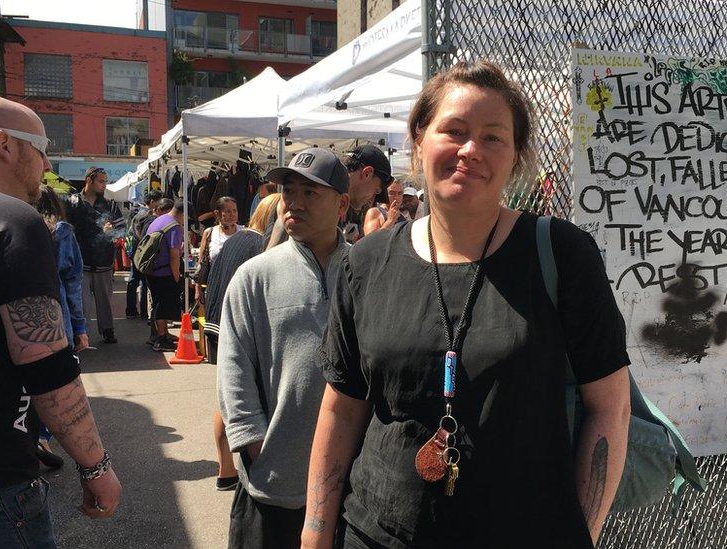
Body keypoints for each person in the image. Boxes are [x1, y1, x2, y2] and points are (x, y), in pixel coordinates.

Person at [304, 60, 632, 549]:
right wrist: (314, 533)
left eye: (493, 137)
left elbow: (611, 408)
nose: (471, 149)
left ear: (517, 154)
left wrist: (581, 532)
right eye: (453, 130)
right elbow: (342, 409)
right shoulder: (367, 263)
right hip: (375, 535)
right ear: (420, 139)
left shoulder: (564, 256)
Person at [0, 94, 122, 547]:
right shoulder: (8, 220)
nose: (46, 165)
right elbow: (47, 366)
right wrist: (96, 466)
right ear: (4, 144)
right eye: (41, 149)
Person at [217, 147, 350, 549]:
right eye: (289, 190)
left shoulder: (365, 271)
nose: (295, 201)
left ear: (342, 204)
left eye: (311, 192)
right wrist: (259, 450)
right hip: (272, 487)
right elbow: (232, 374)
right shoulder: (254, 276)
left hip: (347, 488)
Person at [201, 219, 265, 493]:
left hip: (218, 321)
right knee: (236, 395)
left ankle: (225, 468)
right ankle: (236, 469)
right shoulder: (258, 245)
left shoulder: (236, 240)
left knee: (224, 394)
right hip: (235, 326)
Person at [33, 184, 90, 469]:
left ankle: (28, 437)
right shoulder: (61, 231)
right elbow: (72, 282)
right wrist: (80, 326)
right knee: (54, 382)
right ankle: (43, 437)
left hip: (18, 320)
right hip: (56, 318)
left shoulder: (13, 224)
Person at [66, 166, 121, 344]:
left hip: (103, 260)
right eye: (101, 181)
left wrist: (111, 231)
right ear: (89, 180)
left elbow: (121, 229)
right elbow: (64, 227)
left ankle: (107, 330)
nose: (105, 185)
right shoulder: (73, 202)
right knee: (80, 301)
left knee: (104, 298)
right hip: (80, 259)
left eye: (105, 181)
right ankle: (82, 334)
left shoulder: (110, 204)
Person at [145, 202, 186, 352]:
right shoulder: (174, 227)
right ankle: (161, 339)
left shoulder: (160, 219)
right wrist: (177, 278)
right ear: (182, 214)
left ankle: (163, 334)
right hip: (164, 272)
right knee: (162, 305)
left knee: (157, 302)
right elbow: (174, 256)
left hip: (152, 270)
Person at [194, 196, 243, 305]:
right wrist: (198, 289)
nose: (232, 214)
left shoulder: (244, 232)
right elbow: (201, 262)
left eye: (235, 210)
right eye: (228, 211)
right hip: (215, 287)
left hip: (238, 288)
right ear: (218, 213)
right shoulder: (210, 233)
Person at [341, 144, 393, 243]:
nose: (373, 197)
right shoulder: (329, 196)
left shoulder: (339, 199)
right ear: (367, 173)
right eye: (376, 190)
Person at [127, 190, 163, 318]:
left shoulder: (140, 213)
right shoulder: (146, 215)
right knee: (142, 281)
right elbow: (139, 234)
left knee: (134, 281)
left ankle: (132, 310)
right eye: (159, 201)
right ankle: (142, 311)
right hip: (141, 252)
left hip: (136, 252)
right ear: (152, 201)